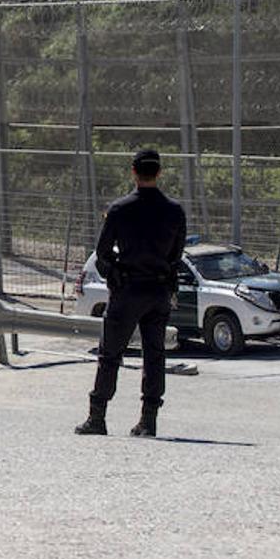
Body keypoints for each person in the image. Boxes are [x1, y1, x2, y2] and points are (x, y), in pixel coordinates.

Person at [75, 148, 187, 438]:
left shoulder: (120, 209)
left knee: (110, 354)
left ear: (133, 172)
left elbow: (102, 253)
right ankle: (148, 421)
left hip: (127, 291)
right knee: (154, 355)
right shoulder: (174, 211)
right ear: (159, 172)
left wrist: (116, 276)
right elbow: (176, 254)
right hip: (158, 290)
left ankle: (97, 418)